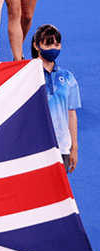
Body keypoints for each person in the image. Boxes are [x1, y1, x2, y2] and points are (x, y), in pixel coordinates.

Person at [31, 25, 79, 173]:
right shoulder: (27, 75)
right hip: (34, 146)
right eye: (48, 44)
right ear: (36, 45)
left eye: (56, 44)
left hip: (62, 146)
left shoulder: (68, 78)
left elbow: (71, 113)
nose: (53, 48)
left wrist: (74, 148)